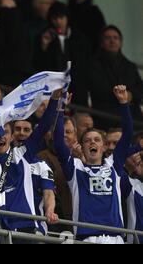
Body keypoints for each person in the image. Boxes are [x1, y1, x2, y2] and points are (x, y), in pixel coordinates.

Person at [0, 91, 61, 244]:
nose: (0, 136)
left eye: (5, 132)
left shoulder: (22, 155)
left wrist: (54, 100)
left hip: (24, 230)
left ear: (12, 137)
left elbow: (44, 126)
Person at [53, 85, 132, 244]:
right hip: (86, 238)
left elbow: (128, 133)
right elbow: (58, 141)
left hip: (116, 237)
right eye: (87, 140)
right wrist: (61, 109)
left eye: (96, 140)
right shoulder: (75, 168)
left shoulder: (114, 166)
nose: (92, 143)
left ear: (103, 147)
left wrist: (123, 103)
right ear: (82, 147)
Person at [88, 26, 143, 129]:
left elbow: (140, 88)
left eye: (115, 38)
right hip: (107, 117)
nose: (112, 41)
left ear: (121, 42)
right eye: (108, 38)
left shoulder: (130, 66)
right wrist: (121, 95)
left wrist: (130, 95)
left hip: (133, 117)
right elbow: (98, 89)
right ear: (102, 42)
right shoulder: (93, 65)